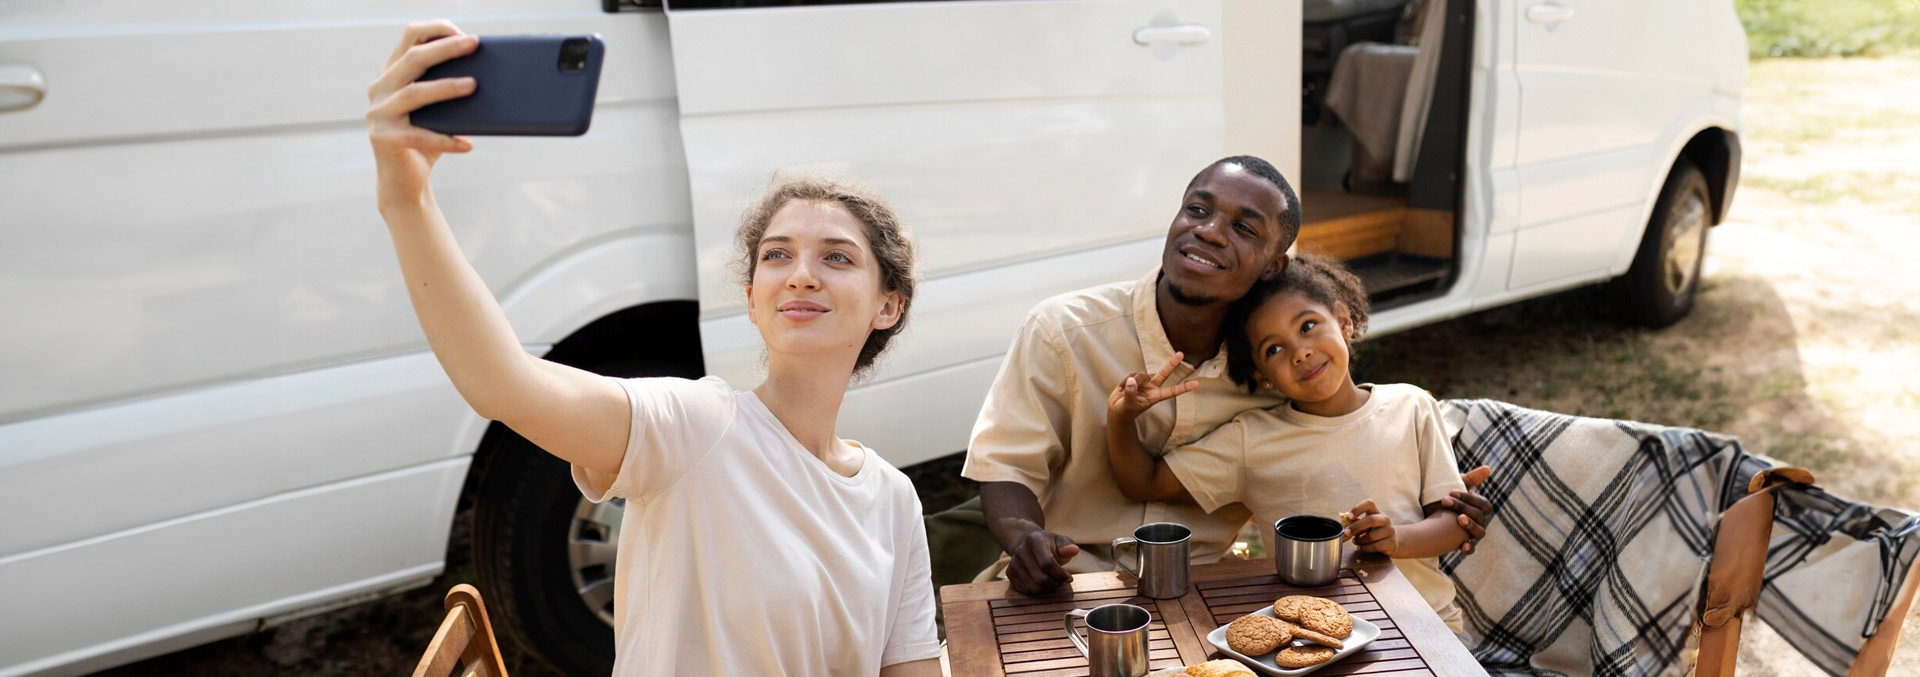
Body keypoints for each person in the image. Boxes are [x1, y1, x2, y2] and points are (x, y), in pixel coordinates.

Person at [366, 22, 941, 675]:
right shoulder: (696, 428)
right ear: (754, 299)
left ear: (888, 305)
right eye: (778, 255)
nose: (802, 273)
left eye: (836, 257)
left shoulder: (892, 499)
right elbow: (503, 382)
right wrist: (405, 198)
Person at [962, 156, 1493, 595]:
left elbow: (1343, 433)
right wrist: (1025, 537)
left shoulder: (1271, 371)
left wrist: (1439, 511)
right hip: (1069, 582)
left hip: (1207, 591)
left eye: (1243, 228)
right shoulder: (1064, 330)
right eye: (1197, 209)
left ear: (1272, 265)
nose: (1209, 232)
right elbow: (1004, 464)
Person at [1106, 253, 1470, 632]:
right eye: (1273, 350)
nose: (1301, 352)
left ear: (1343, 320)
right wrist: (1121, 418)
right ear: (1261, 376)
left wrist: (1396, 539)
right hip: (1306, 638)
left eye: (1308, 325)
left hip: (1428, 625)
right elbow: (1142, 483)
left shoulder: (1411, 406)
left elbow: (1454, 522)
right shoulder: (1250, 439)